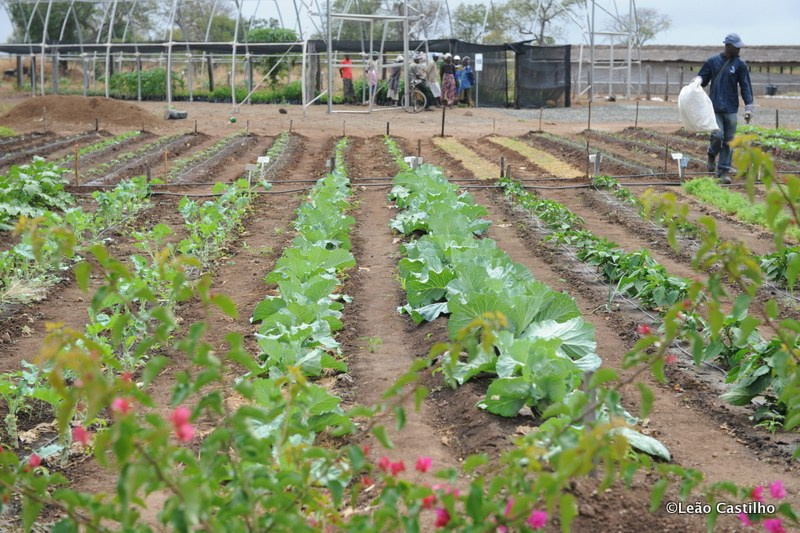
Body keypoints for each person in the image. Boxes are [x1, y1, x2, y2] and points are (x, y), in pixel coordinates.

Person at [695, 33, 754, 184]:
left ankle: (723, 172)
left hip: (731, 108)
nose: (739, 50)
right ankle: (711, 153)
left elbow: (745, 86)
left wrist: (749, 107)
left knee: (729, 140)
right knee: (717, 136)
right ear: (728, 46)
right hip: (714, 107)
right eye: (737, 47)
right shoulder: (713, 62)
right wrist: (697, 81)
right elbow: (703, 78)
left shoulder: (740, 65)